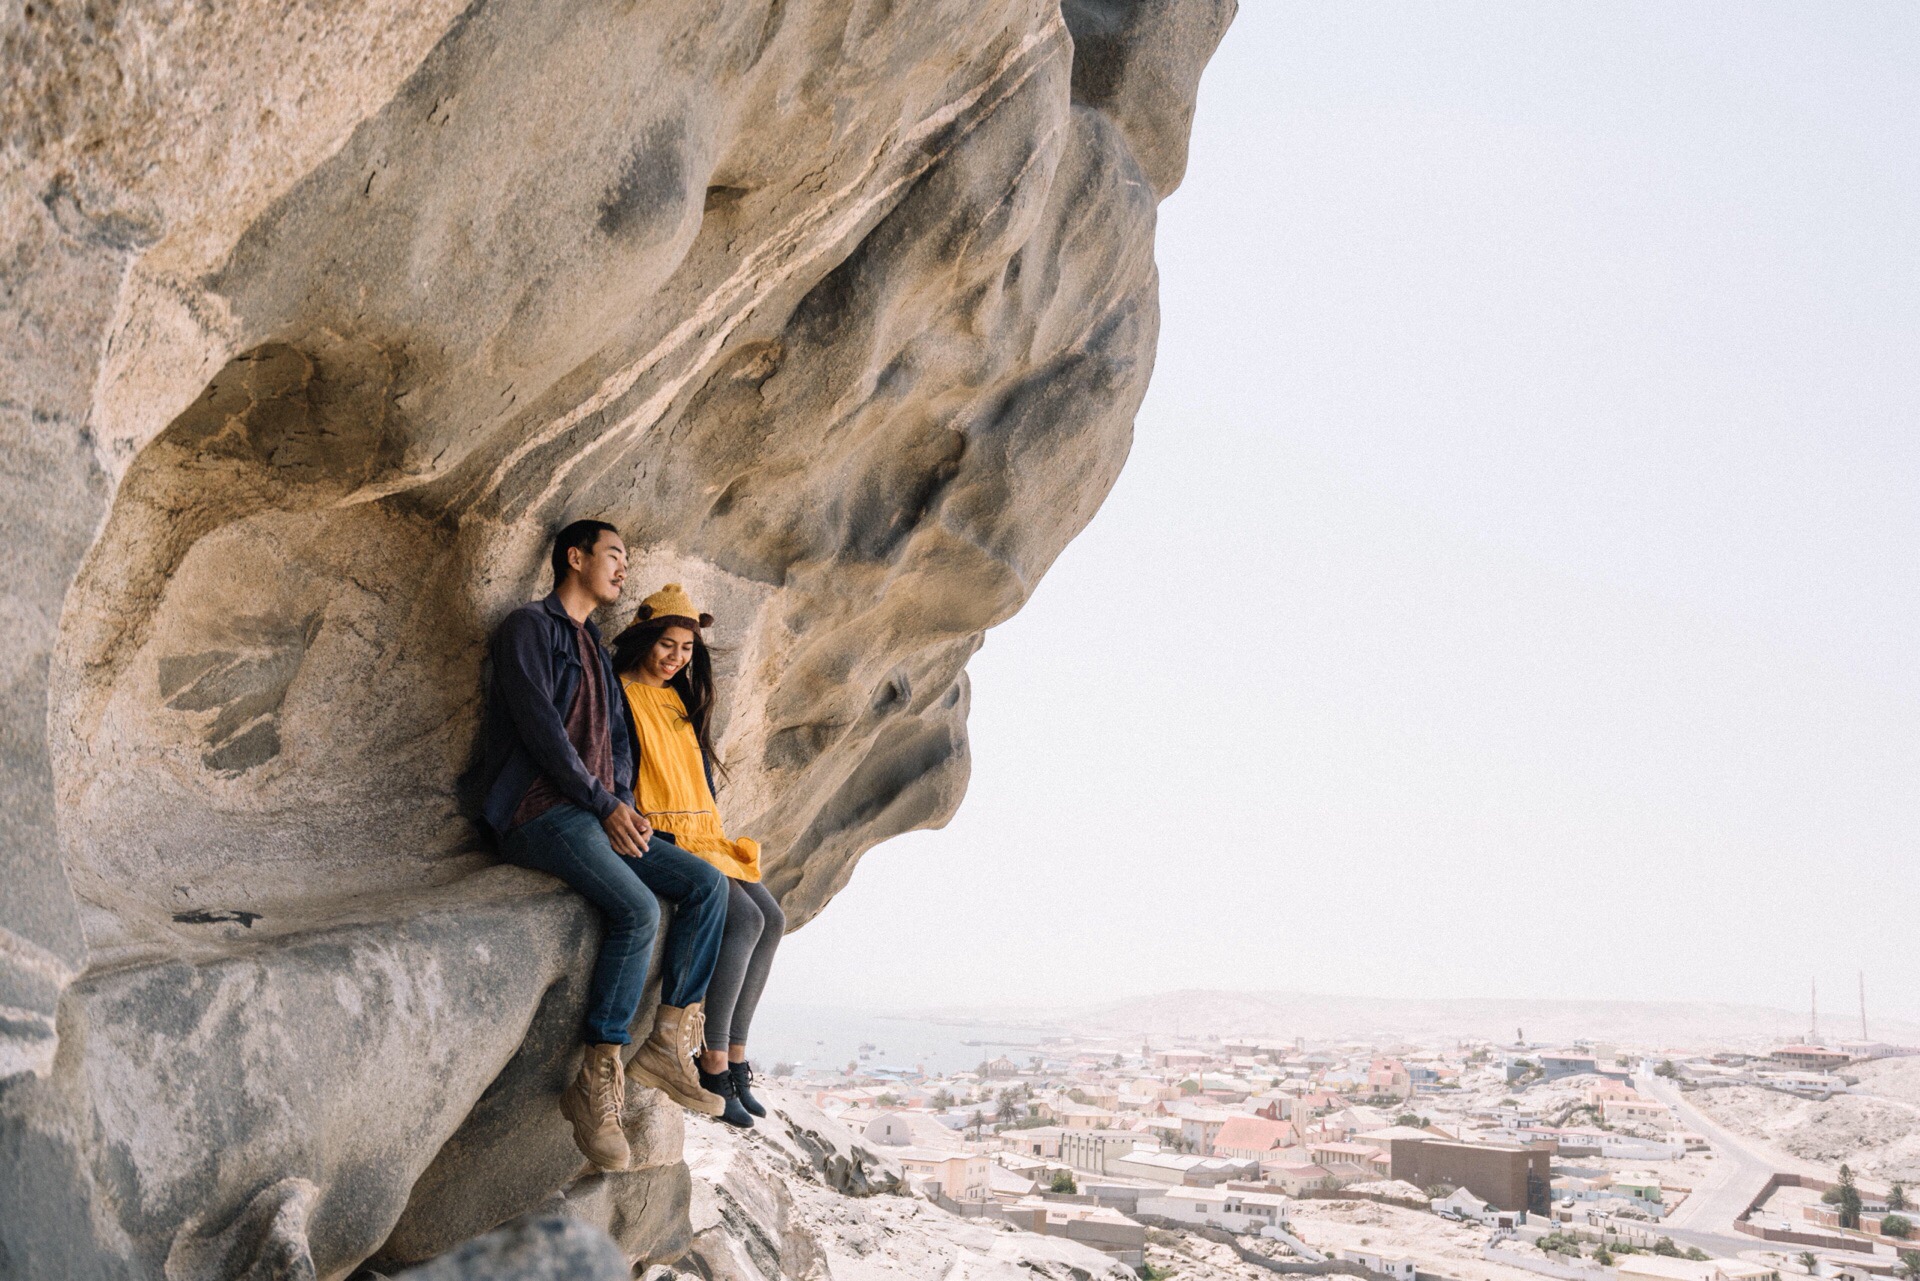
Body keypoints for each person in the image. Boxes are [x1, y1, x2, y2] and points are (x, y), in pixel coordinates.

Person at [468, 521, 731, 1172]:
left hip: (594, 811)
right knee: (638, 910)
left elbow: (614, 745)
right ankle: (595, 1082)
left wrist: (626, 807)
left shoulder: (594, 648)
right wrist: (601, 801)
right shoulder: (529, 628)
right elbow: (540, 730)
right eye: (614, 554)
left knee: (706, 884)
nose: (622, 567)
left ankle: (668, 1041)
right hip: (539, 811)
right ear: (575, 557)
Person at [612, 584, 785, 1130]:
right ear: (644, 638)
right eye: (667, 644)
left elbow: (698, 781)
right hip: (665, 832)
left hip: (704, 831)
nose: (676, 657)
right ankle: (710, 1063)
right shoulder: (620, 695)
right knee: (745, 918)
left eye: (686, 649)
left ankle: (735, 1056)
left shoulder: (680, 699)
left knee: (773, 919)